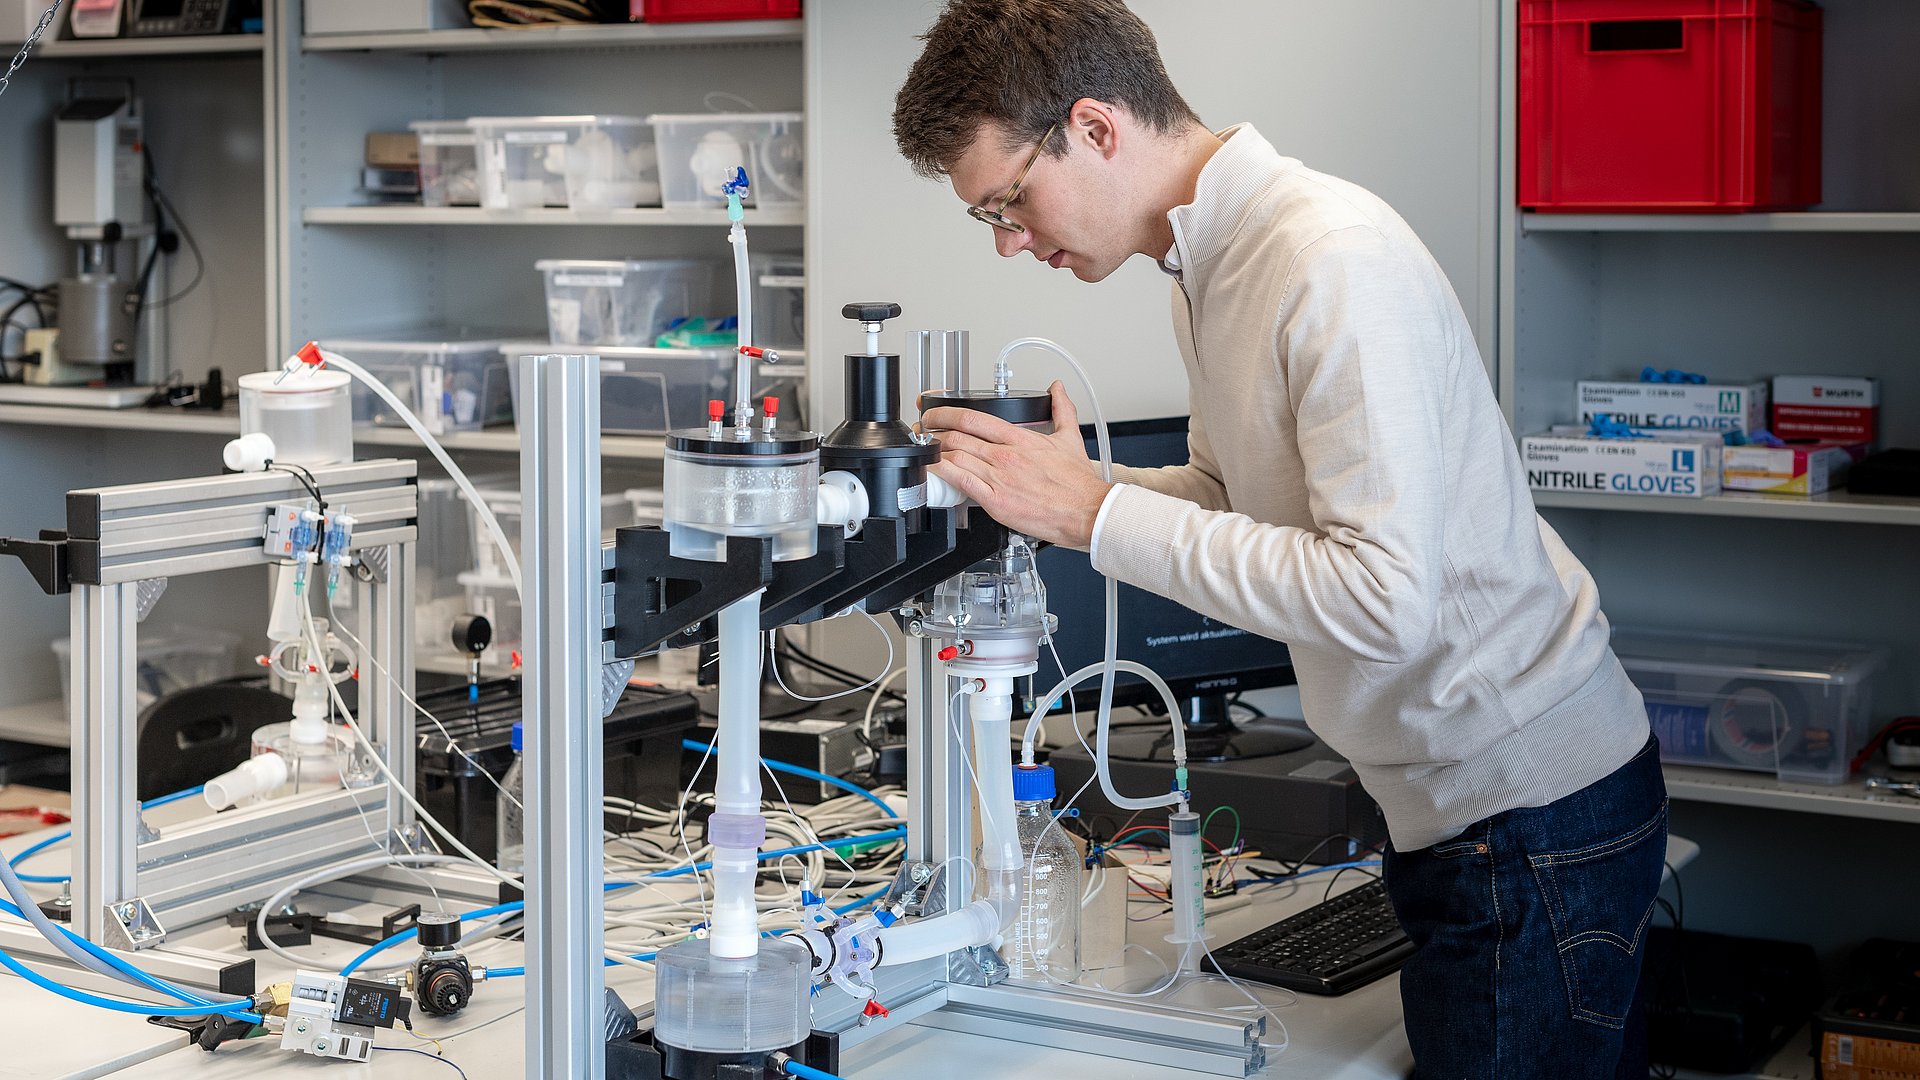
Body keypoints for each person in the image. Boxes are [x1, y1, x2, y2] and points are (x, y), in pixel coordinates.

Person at [892, 3, 1666, 1077]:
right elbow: (1232, 492)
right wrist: (1067, 487)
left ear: (1097, 127)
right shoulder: (1210, 265)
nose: (1012, 241)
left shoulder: (1328, 260)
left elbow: (1382, 596)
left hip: (1526, 808)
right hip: (1461, 809)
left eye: (1011, 200)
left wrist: (1091, 513)